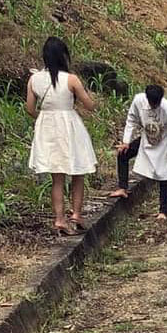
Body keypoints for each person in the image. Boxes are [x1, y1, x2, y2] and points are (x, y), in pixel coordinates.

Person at [26, 37, 97, 236]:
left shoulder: (34, 79)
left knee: (57, 177)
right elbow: (89, 105)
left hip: (47, 126)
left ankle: (59, 219)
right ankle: (76, 214)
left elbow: (30, 108)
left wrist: (44, 117)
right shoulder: (71, 79)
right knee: (77, 171)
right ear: (63, 56)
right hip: (69, 125)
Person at [109, 84, 167, 220]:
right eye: (152, 103)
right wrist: (126, 141)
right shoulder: (138, 101)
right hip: (145, 139)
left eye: (157, 103)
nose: (154, 106)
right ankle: (122, 187)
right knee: (123, 153)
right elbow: (131, 120)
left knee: (165, 175)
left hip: (162, 142)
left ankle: (163, 211)